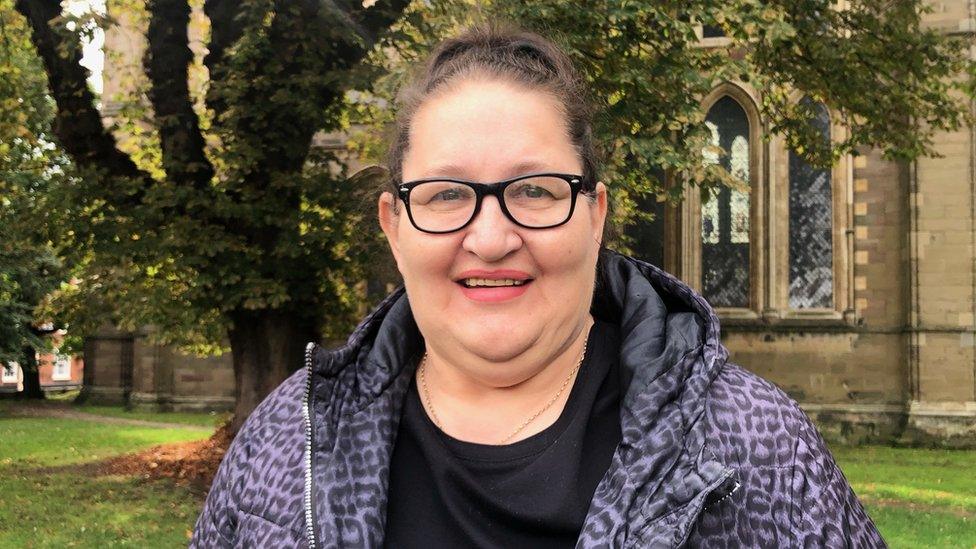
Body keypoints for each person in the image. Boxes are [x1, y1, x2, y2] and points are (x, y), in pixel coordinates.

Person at [191, 23, 886, 548]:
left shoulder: (750, 443)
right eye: (443, 195)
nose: (490, 238)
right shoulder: (291, 438)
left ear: (595, 213)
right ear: (394, 225)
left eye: (533, 189)